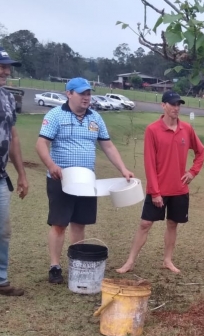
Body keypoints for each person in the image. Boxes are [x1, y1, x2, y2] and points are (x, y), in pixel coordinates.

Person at [36, 77, 134, 284]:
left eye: (89, 93)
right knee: (59, 224)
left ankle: (77, 262)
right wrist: (51, 165)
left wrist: (123, 169)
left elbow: (108, 146)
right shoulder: (55, 116)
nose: (87, 97)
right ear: (69, 94)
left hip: (86, 181)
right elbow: (41, 144)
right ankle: (55, 266)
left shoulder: (96, 118)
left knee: (79, 223)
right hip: (60, 179)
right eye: (82, 93)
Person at [116, 91, 204, 274]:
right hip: (158, 189)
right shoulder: (152, 130)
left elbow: (200, 152)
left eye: (178, 104)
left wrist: (192, 172)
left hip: (179, 189)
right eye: (172, 104)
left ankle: (167, 260)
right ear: (163, 105)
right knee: (145, 224)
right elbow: (149, 163)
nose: (176, 108)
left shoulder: (186, 129)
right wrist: (155, 192)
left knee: (173, 224)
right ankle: (130, 262)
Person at [0, 48, 29, 296]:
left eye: (8, 66)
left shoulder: (8, 98)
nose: (6, 70)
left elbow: (14, 137)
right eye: (1, 65)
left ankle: (1, 281)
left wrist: (21, 173)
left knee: (3, 229)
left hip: (1, 177)